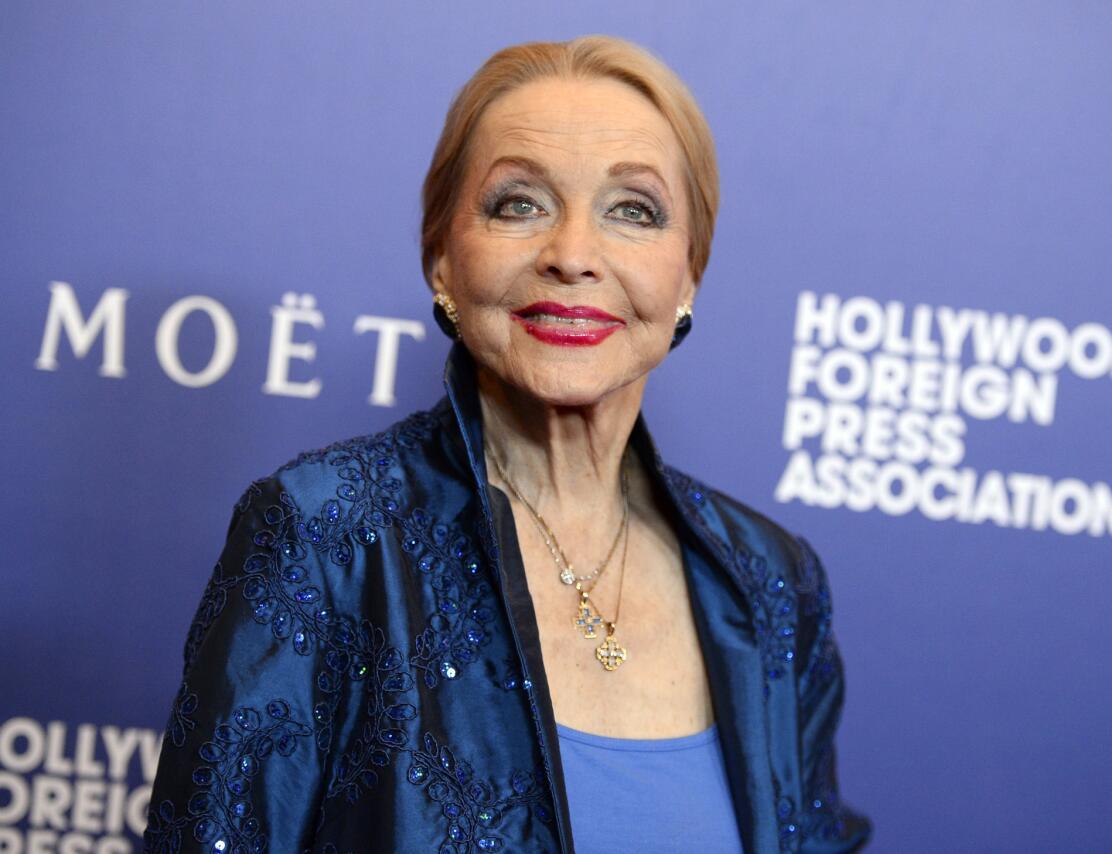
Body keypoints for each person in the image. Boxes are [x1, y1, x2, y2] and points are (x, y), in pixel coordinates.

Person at [143, 34, 871, 854]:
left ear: (688, 275)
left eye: (633, 209)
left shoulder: (772, 584)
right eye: (518, 203)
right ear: (443, 260)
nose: (571, 256)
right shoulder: (325, 539)